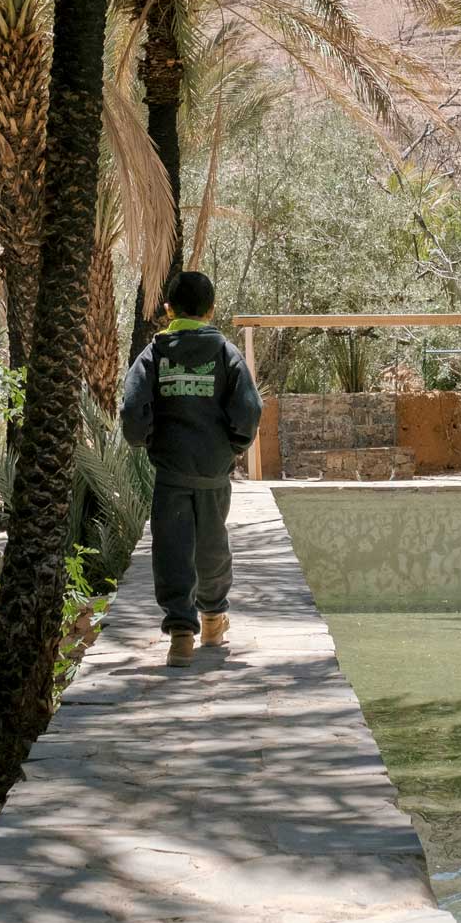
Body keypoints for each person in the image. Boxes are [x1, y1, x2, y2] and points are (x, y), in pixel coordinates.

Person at [120, 270, 263, 667]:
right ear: (211, 310)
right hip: (213, 472)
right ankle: (213, 621)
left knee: (172, 548)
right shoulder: (226, 354)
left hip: (171, 472)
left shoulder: (154, 355)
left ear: (168, 310)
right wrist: (232, 447)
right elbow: (249, 409)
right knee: (213, 545)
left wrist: (146, 440)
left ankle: (181, 635)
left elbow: (132, 409)